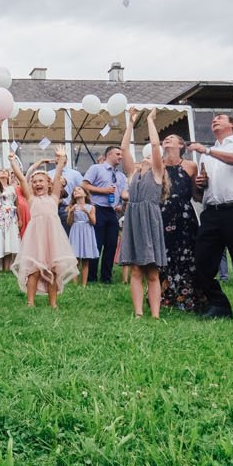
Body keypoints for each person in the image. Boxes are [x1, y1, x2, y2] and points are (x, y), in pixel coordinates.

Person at [189, 115, 233, 320]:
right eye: (212, 119)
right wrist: (202, 183)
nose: (214, 120)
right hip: (212, 212)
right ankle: (218, 305)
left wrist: (207, 150)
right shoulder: (206, 156)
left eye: (220, 118)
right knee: (202, 261)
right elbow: (203, 188)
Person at [117, 111, 169, 318]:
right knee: (136, 270)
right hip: (134, 219)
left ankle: (155, 314)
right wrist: (130, 123)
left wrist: (149, 121)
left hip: (149, 220)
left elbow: (156, 146)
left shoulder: (157, 173)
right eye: (144, 156)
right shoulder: (133, 174)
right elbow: (123, 148)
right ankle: (138, 313)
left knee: (153, 272)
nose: (146, 157)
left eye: (150, 156)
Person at [7, 155, 76, 307]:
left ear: (49, 184)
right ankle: (30, 302)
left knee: (53, 270)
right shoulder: (31, 198)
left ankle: (53, 303)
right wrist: (12, 162)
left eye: (41, 181)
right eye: (35, 182)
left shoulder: (54, 197)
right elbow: (22, 179)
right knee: (34, 270)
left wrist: (61, 161)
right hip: (36, 238)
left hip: (52, 237)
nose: (37, 183)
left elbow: (57, 176)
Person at [158, 134, 201, 314]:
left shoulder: (190, 165)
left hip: (184, 215)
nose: (167, 139)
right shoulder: (156, 163)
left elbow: (197, 195)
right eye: (165, 138)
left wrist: (203, 185)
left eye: (172, 138)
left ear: (181, 144)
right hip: (162, 213)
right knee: (163, 254)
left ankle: (187, 296)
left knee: (187, 254)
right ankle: (163, 295)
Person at [80, 145, 124, 285]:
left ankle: (106, 277)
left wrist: (121, 204)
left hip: (112, 212)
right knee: (96, 244)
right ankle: (92, 276)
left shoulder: (121, 175)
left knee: (111, 245)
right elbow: (84, 185)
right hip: (97, 209)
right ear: (109, 154)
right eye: (118, 154)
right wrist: (103, 191)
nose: (121, 157)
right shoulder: (96, 169)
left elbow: (123, 194)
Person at [66, 189, 98, 282]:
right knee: (75, 259)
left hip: (87, 231)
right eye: (74, 190)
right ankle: (75, 283)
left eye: (79, 189)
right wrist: (71, 212)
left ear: (85, 194)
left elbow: (93, 222)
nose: (76, 191)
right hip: (76, 230)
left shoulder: (91, 207)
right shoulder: (72, 206)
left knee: (85, 259)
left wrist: (87, 212)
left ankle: (84, 284)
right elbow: (69, 222)